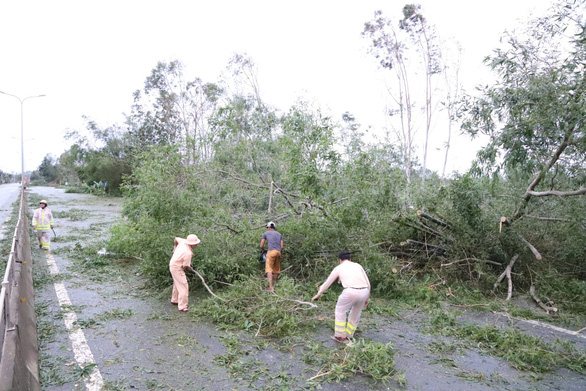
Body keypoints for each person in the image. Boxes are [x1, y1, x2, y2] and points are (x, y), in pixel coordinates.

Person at [312, 252, 370, 343]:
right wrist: (367, 298)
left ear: (340, 260)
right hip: (364, 290)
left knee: (340, 310)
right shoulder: (358, 266)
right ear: (350, 259)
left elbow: (328, 282)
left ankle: (340, 336)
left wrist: (319, 293)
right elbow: (367, 282)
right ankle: (349, 335)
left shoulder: (339, 268)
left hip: (350, 291)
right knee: (356, 313)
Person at [169, 234, 201, 312]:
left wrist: (175, 248)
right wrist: (190, 268)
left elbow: (176, 239)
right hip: (177, 268)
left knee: (177, 283)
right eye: (195, 244)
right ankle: (183, 306)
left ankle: (174, 300)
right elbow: (185, 265)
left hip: (172, 264)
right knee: (183, 286)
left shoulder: (183, 241)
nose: (196, 245)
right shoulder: (188, 253)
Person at [259, 221, 283, 292]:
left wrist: (264, 250)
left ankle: (271, 288)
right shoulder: (279, 234)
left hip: (271, 252)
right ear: (274, 228)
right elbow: (281, 247)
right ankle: (275, 286)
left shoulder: (265, 233)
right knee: (276, 270)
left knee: (269, 269)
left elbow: (261, 245)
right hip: (278, 252)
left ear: (269, 227)